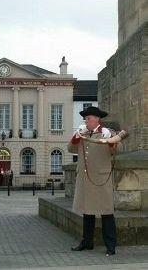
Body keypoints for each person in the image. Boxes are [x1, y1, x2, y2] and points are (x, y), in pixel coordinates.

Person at [68, 106, 118, 256]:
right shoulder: (83, 133)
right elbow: (71, 149)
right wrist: (76, 136)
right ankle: (87, 242)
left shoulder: (107, 132)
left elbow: (116, 149)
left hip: (101, 179)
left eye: (88, 118)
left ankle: (111, 246)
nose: (86, 121)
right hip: (85, 179)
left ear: (97, 119)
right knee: (87, 212)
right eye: (86, 119)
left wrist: (109, 140)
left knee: (106, 213)